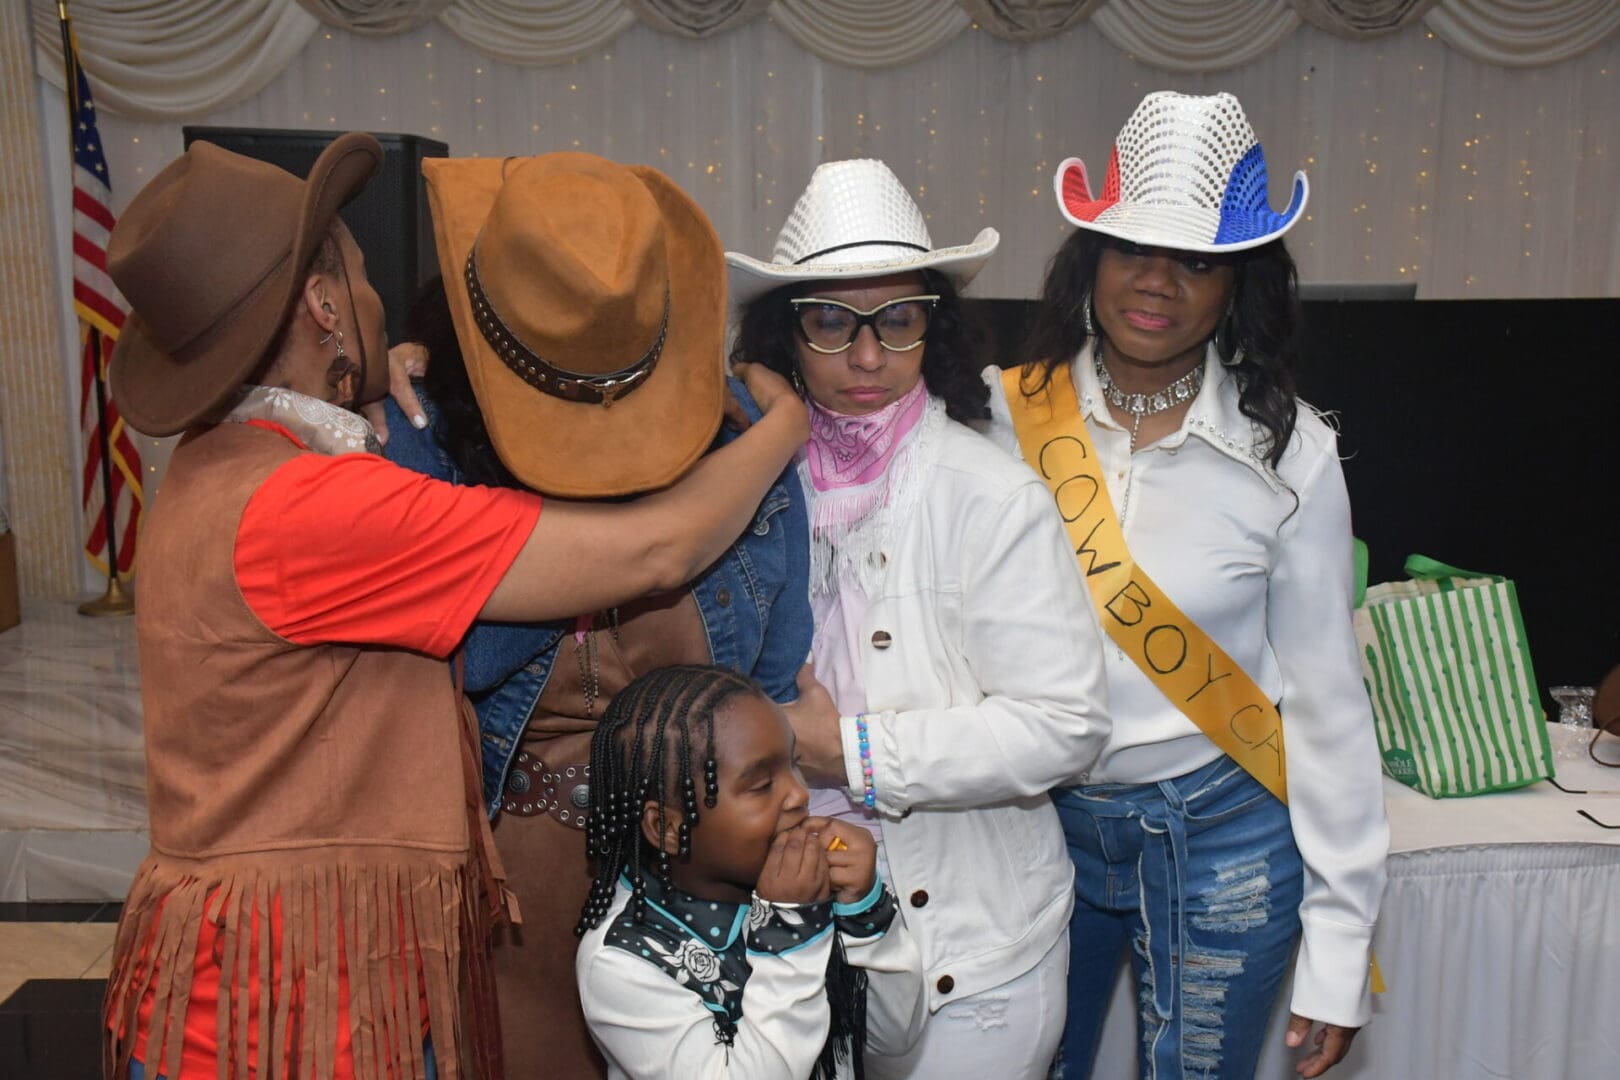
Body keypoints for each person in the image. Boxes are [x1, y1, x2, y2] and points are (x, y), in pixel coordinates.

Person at [99, 134, 807, 1080]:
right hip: (297, 1019)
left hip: (274, 985)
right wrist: (786, 430)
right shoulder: (313, 506)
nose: (374, 285)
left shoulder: (229, 467)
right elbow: (658, 547)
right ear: (321, 304)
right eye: (355, 264)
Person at [982, 91, 1390, 1080]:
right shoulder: (1001, 416)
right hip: (1035, 830)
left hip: (1224, 835)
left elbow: (1330, 705)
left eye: (1197, 259)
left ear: (1237, 284)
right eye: (1131, 248)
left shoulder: (1292, 452)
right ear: (1092, 261)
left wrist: (1337, 955)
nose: (1157, 281)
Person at [382, 149, 812, 1079]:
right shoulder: (422, 439)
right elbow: (421, 666)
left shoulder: (744, 440)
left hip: (699, 891)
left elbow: (769, 691)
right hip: (499, 889)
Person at [726, 158, 1112, 1079]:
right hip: (784, 933)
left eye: (897, 322)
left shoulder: (990, 493)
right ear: (787, 333)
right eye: (832, 322)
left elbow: (1068, 724)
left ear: (931, 328)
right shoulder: (737, 488)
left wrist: (849, 754)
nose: (868, 358)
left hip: (972, 965)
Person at [575, 665, 925, 1079]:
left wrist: (865, 911)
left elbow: (893, 1039)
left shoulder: (807, 882)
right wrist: (791, 932)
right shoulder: (622, 961)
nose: (799, 793)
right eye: (761, 786)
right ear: (668, 828)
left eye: (794, 765)